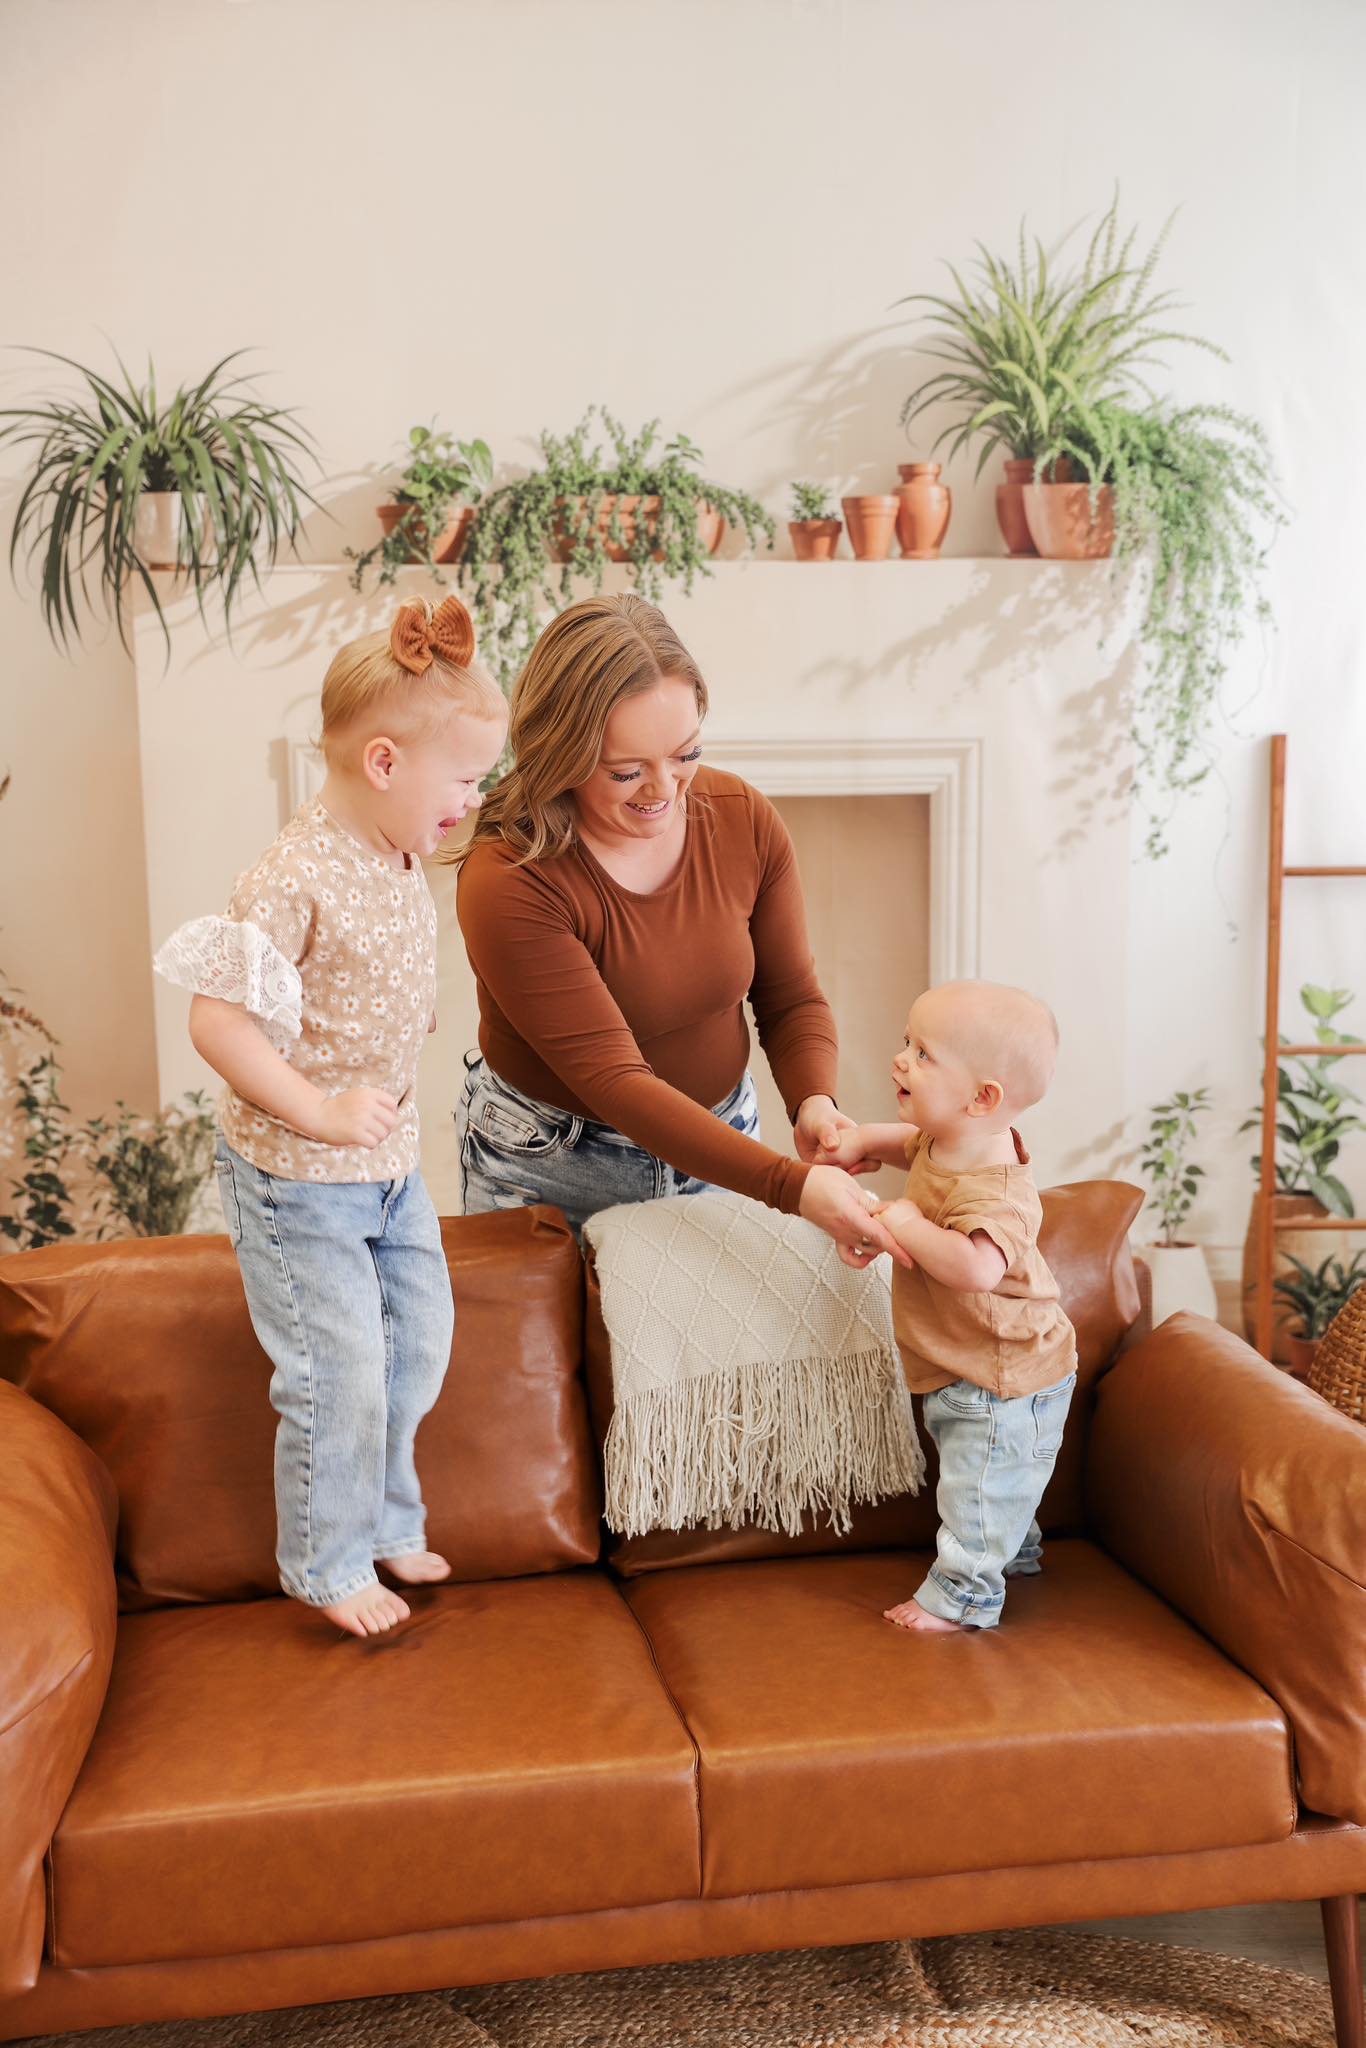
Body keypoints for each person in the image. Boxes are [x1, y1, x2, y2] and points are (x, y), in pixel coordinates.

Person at [154, 595, 507, 1637]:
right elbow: (218, 1022)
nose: (474, 800)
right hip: (298, 1176)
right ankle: (326, 1556)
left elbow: (362, 968)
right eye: (464, 780)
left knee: (421, 1342)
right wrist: (315, 1104)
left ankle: (389, 1510)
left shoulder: (397, 844)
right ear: (386, 761)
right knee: (338, 1368)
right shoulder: (289, 874)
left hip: (388, 1162)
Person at [451, 592, 904, 1263]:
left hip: (724, 1143)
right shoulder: (509, 877)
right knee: (559, 1371)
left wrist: (814, 1100)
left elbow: (790, 996)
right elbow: (615, 1081)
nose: (664, 788)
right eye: (627, 771)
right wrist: (791, 1186)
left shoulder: (741, 817)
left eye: (686, 754)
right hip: (553, 1167)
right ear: (561, 753)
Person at [826, 980, 1078, 1632]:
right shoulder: (947, 1137)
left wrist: (906, 1224)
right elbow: (905, 1144)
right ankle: (1015, 1549)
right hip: (966, 1363)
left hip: (1004, 1374)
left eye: (923, 1053)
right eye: (907, 1043)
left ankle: (965, 1596)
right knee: (993, 1481)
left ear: (982, 1098)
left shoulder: (1000, 1192)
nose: (900, 1059)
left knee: (978, 1488)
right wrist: (858, 1144)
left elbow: (976, 1268)